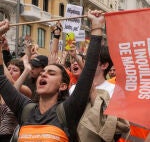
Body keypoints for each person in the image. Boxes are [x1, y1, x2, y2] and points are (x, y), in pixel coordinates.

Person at [0, 10, 104, 142]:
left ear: (62, 86)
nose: (43, 75)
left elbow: (88, 71)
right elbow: (1, 80)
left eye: (51, 73)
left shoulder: (67, 111)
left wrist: (97, 27)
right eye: (42, 72)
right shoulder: (25, 109)